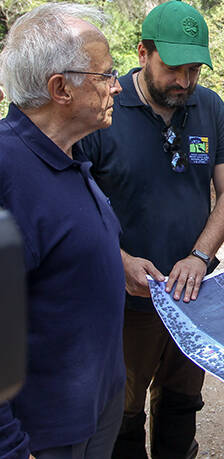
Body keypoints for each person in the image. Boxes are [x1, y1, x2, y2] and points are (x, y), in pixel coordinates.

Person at [76, 1, 224, 457]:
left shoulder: (209, 107)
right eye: (174, 68)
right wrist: (119, 261)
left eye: (195, 70)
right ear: (143, 53)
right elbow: (73, 204)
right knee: (122, 414)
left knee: (182, 403)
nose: (185, 81)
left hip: (192, 298)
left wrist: (200, 256)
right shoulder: (104, 110)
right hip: (127, 301)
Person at [0, 4, 126, 457]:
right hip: (46, 434)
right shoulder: (7, 171)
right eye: (106, 74)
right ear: (60, 89)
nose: (117, 85)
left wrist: (121, 265)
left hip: (94, 410)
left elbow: (61, 245)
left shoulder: (67, 151)